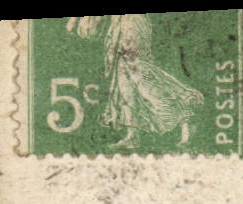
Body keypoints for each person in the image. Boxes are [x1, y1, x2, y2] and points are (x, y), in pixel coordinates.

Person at [67, 16, 204, 148]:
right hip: (122, 23)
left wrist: (75, 22)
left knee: (137, 71)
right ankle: (132, 133)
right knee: (124, 75)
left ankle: (183, 110)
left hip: (132, 24)